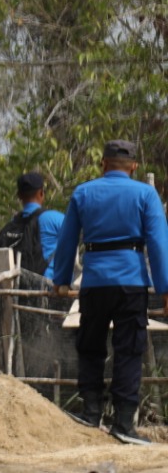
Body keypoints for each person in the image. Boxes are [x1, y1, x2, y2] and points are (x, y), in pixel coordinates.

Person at [49, 140, 168, 443]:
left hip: (95, 281)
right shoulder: (145, 193)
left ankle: (90, 413)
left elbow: (66, 241)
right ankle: (124, 424)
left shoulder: (84, 192)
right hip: (131, 282)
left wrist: (61, 279)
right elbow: (157, 245)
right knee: (129, 350)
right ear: (134, 167)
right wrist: (166, 288)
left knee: (90, 345)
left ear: (102, 164)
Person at [0, 172, 66, 282]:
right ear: (41, 193)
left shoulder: (12, 223)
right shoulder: (56, 219)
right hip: (47, 288)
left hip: (17, 290)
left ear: (19, 196)